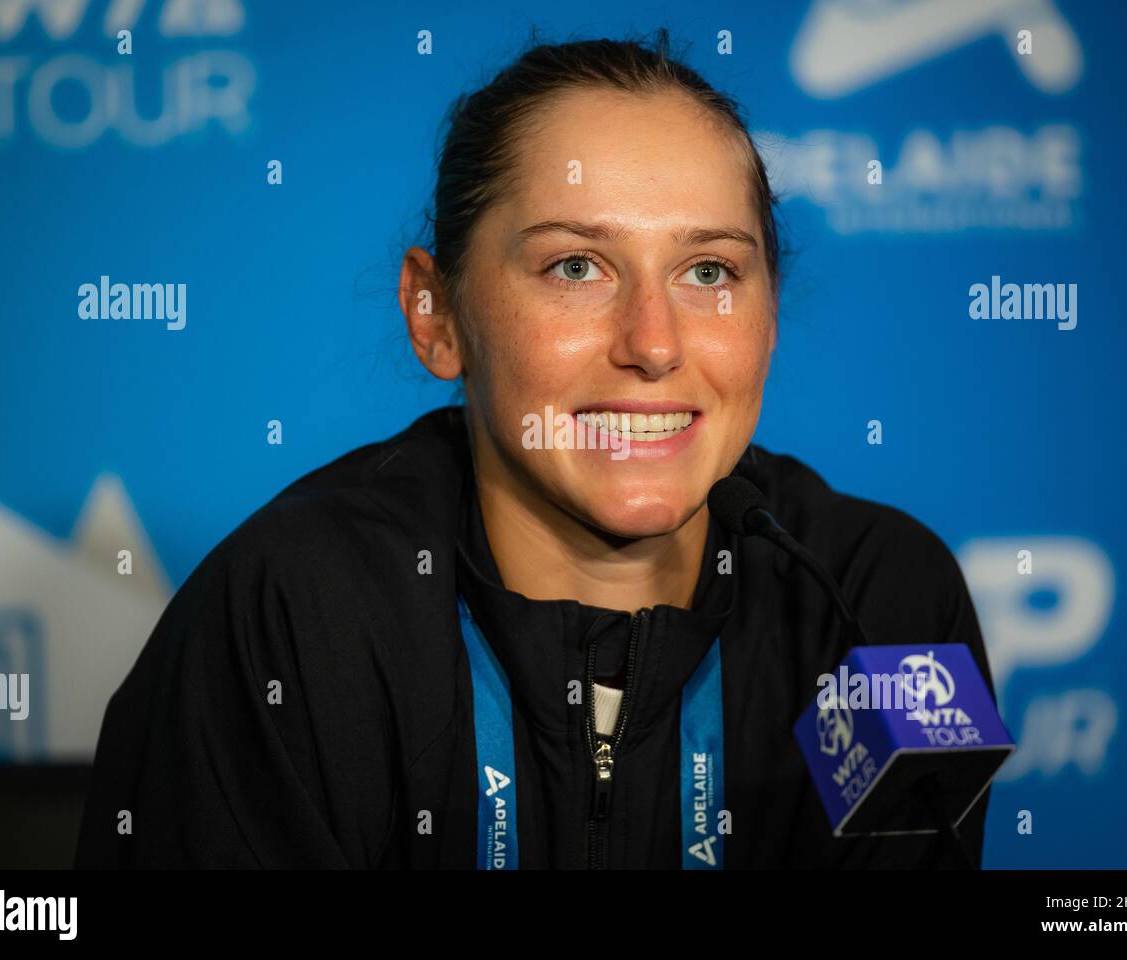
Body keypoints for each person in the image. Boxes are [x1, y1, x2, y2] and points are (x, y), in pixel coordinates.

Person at [75, 32, 997, 869]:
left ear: (770, 314)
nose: (653, 343)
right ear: (437, 316)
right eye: (576, 267)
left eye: (709, 270)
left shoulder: (887, 604)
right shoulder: (286, 612)